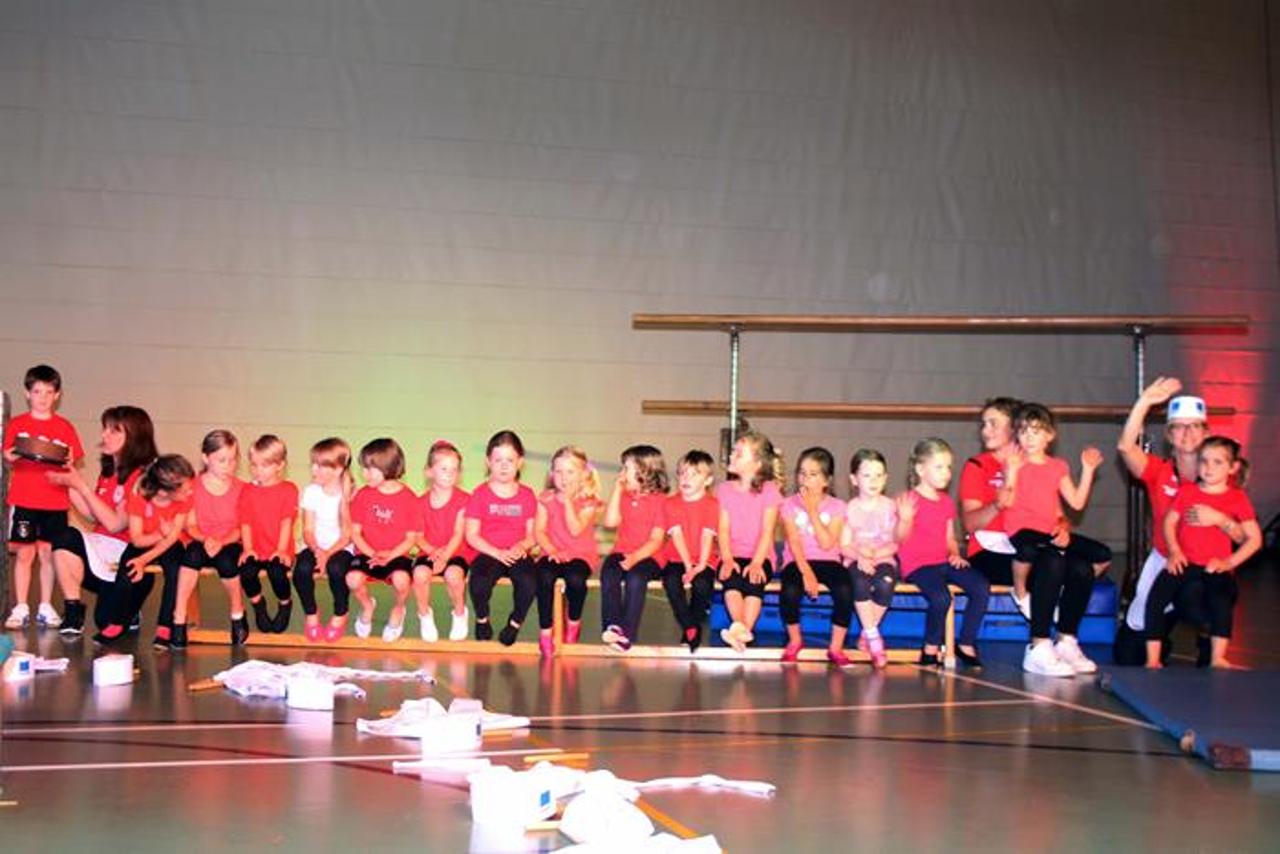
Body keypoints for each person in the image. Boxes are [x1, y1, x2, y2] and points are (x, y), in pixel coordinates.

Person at [1116, 379, 1232, 664]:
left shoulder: (1222, 477)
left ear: (1206, 432)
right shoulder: (1159, 471)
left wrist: (1221, 520)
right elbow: (1125, 447)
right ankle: (1162, 639)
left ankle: (1207, 639)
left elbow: (1246, 534)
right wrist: (1144, 403)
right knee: (1128, 655)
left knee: (1194, 598)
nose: (1188, 433)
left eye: (1195, 426)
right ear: (1169, 435)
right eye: (1179, 427)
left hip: (1203, 569)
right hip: (1165, 561)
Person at [1145, 437, 1261, 668]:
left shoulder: (1237, 497)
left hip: (1214, 566)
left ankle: (1217, 657)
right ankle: (1153, 659)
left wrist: (1229, 562)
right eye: (1204, 461)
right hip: (1185, 562)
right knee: (1156, 598)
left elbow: (1254, 539)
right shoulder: (1187, 492)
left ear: (1233, 467)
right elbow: (1169, 522)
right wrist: (1175, 551)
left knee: (1220, 603)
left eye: (1218, 462)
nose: (1209, 468)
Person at [1006, 404, 1105, 677]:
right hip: (1023, 531)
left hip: (1048, 533)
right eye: (1023, 431)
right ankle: (1038, 645)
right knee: (1052, 560)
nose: (1029, 437)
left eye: (1036, 431)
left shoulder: (1058, 466)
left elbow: (1076, 502)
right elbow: (1007, 502)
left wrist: (1087, 470)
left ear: (1050, 435)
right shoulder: (1015, 462)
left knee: (1089, 563)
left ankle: (1066, 640)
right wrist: (1011, 472)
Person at [49, 405, 158, 635]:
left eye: (114, 430)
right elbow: (93, 515)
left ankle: (131, 605)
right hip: (103, 550)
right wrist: (67, 484)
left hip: (128, 557)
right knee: (64, 537)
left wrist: (80, 485)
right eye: (105, 428)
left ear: (134, 436)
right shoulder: (109, 472)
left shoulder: (144, 477)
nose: (104, 435)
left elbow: (115, 524)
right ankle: (73, 610)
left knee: (105, 622)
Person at [3, 364, 85, 629]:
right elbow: (7, 453)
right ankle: (21, 606)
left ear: (57, 395)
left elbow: (73, 458)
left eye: (49, 392)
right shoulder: (17, 424)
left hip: (55, 501)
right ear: (27, 393)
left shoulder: (64, 427)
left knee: (48, 553)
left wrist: (68, 460)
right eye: (37, 391)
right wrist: (9, 455)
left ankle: (46, 606)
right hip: (25, 499)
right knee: (25, 553)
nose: (43, 397)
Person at [897, 438, 988, 668]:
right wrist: (905, 520)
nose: (946, 473)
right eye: (939, 467)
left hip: (942, 562)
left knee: (980, 587)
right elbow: (899, 540)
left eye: (948, 467)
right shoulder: (909, 500)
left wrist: (955, 554)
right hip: (918, 566)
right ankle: (930, 646)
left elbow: (949, 538)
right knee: (941, 597)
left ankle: (966, 642)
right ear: (920, 469)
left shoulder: (946, 502)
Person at [93, 454, 195, 647]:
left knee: (175, 572)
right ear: (164, 491)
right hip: (147, 540)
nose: (190, 492)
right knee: (127, 570)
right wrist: (159, 534)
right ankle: (118, 621)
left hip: (171, 544)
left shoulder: (184, 499)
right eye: (185, 489)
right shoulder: (139, 497)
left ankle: (165, 625)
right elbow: (137, 539)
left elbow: (172, 538)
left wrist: (144, 560)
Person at [173, 430, 246, 648]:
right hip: (201, 540)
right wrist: (206, 539)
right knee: (191, 556)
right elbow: (190, 525)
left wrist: (221, 542)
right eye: (222, 460)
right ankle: (179, 616)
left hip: (229, 542)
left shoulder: (242, 489)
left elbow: (242, 528)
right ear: (206, 458)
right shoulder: (193, 487)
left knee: (227, 562)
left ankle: (237, 612)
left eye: (233, 460)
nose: (228, 466)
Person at [778, 447, 851, 666]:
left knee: (844, 589)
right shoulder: (788, 505)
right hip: (798, 560)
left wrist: (812, 511)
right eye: (801, 473)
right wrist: (806, 572)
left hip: (828, 561)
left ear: (826, 480)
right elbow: (794, 541)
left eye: (812, 474)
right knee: (790, 591)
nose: (805, 479)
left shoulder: (838, 507)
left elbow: (827, 543)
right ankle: (795, 640)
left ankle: (836, 647)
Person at [465, 430, 537, 645]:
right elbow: (471, 535)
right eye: (498, 460)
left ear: (520, 462)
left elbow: (533, 535)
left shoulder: (527, 495)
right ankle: (482, 618)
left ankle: (515, 623)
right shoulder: (480, 494)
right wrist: (496, 552)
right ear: (488, 462)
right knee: (479, 582)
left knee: (528, 582)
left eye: (510, 460)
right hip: (489, 552)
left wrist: (521, 546)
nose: (504, 466)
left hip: (516, 553)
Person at [716, 430, 784, 653]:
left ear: (756, 464)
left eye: (738, 453)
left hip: (760, 555)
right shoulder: (724, 490)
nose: (731, 456)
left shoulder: (770, 491)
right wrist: (727, 558)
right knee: (731, 579)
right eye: (733, 451)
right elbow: (723, 529)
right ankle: (740, 629)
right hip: (732, 553)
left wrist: (757, 562)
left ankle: (741, 629)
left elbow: (767, 531)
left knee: (755, 581)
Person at [348, 438, 420, 642]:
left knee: (401, 580)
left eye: (369, 469)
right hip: (368, 552)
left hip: (397, 554)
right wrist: (372, 553)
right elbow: (355, 532)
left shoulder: (409, 499)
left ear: (388, 468)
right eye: (363, 468)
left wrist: (390, 556)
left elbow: (411, 539)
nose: (364, 474)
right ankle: (367, 606)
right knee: (352, 579)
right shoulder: (363, 495)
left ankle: (399, 608)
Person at [533, 445, 602, 657]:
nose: (564, 478)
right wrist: (551, 550)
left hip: (580, 555)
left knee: (575, 579)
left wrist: (568, 501)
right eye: (559, 471)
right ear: (552, 474)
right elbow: (539, 531)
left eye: (570, 472)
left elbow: (575, 529)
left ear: (583, 475)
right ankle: (546, 631)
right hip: (552, 552)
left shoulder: (589, 502)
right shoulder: (545, 498)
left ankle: (573, 622)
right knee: (544, 577)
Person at [600, 444, 668, 652]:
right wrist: (617, 490)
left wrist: (635, 558)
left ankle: (627, 632)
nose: (621, 473)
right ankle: (612, 625)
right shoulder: (624, 496)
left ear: (644, 472)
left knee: (635, 578)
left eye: (626, 469)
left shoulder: (661, 501)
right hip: (622, 550)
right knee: (609, 573)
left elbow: (656, 540)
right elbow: (610, 523)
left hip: (650, 556)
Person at [959, 397, 1023, 606]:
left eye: (993, 424)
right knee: (1034, 570)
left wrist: (1061, 526)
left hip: (1024, 545)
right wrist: (996, 505)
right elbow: (970, 523)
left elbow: (1054, 515)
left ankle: (1061, 628)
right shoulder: (977, 466)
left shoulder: (1034, 463)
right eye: (984, 424)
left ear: (1014, 428)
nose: (986, 431)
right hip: (988, 550)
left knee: (1079, 567)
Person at [841, 449, 901, 669]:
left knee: (884, 585)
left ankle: (867, 632)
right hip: (856, 560)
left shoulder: (890, 507)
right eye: (867, 475)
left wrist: (876, 555)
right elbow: (843, 544)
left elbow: (896, 542)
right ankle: (875, 639)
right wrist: (860, 556)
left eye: (878, 475)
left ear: (885, 478)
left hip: (883, 559)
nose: (873, 481)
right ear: (854, 479)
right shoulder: (850, 508)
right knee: (860, 583)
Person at [293, 437, 355, 643]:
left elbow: (347, 535)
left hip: (341, 547)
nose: (313, 469)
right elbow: (308, 529)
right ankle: (311, 613)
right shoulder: (311, 491)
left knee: (337, 570)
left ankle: (340, 613)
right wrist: (318, 550)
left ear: (338, 470)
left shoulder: (348, 495)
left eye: (320, 465)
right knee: (301, 571)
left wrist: (328, 553)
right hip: (314, 545)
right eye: (313, 463)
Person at [412, 440, 473, 643]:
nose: (449, 474)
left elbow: (458, 533)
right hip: (429, 552)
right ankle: (424, 614)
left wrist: (445, 557)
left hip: (456, 552)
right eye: (444, 469)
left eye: (454, 470)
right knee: (420, 574)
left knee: (453, 576)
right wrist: (432, 552)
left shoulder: (465, 500)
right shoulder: (419, 503)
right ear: (429, 472)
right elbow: (417, 536)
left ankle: (459, 612)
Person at [237, 435, 299, 635]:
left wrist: (281, 550)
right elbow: (245, 523)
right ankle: (258, 603)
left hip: (279, 548)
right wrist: (248, 549)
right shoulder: (247, 490)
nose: (258, 470)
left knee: (277, 573)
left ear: (279, 465)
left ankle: (285, 603)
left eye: (264, 465)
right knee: (246, 572)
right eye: (254, 465)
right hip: (256, 548)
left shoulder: (288, 489)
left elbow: (286, 522)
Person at [660, 450, 720, 652]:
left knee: (702, 584)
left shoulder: (713, 504)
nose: (686, 478)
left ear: (708, 480)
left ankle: (694, 623)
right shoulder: (671, 503)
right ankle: (689, 625)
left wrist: (700, 566)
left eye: (694, 474)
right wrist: (688, 566)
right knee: (671, 581)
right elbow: (676, 535)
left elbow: (707, 536)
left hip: (704, 558)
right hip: (677, 557)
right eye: (682, 473)